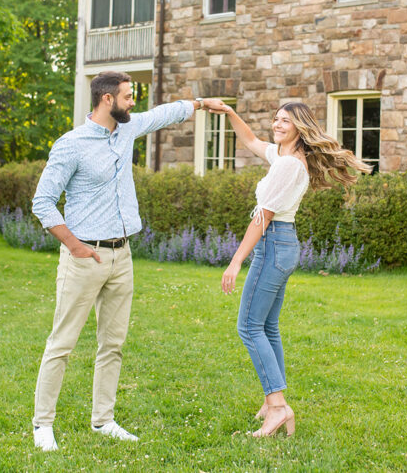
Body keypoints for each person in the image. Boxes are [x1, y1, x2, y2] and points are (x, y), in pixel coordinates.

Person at [30, 70, 220, 452]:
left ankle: (103, 420)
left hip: (123, 255)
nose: (134, 102)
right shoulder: (71, 144)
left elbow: (164, 114)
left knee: (113, 344)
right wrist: (75, 246)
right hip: (85, 257)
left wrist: (200, 105)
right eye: (128, 96)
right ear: (107, 100)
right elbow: (42, 202)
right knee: (62, 344)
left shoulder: (126, 129)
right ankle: (43, 425)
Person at [210, 100, 371, 438]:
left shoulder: (288, 167)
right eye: (276, 119)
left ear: (300, 127)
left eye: (286, 121)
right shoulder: (286, 158)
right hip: (283, 244)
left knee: (249, 327)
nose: (278, 125)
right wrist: (230, 113)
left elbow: (263, 217)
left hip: (272, 243)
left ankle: (279, 406)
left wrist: (236, 260)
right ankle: (273, 405)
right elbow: (252, 141)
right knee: (267, 327)